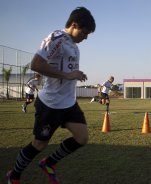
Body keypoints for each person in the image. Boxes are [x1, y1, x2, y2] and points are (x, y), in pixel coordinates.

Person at [6, 7, 96, 184]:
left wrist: (75, 72)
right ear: (74, 25)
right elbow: (36, 64)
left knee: (82, 138)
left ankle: (48, 163)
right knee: (39, 144)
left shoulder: (73, 46)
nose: (86, 37)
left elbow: (63, 67)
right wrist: (68, 75)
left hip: (69, 103)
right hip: (50, 104)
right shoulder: (57, 38)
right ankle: (14, 176)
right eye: (84, 32)